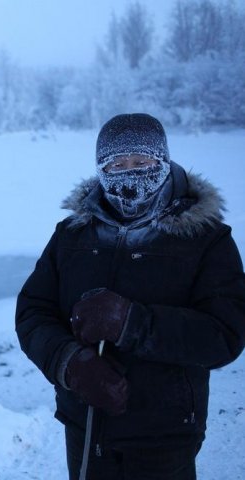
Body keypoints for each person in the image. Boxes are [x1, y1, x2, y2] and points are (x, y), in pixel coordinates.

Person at [15, 113, 245, 479]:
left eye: (142, 162)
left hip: (165, 436)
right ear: (101, 169)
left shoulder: (206, 238)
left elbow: (224, 335)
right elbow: (33, 312)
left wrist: (132, 324)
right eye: (116, 164)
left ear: (163, 162)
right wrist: (69, 363)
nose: (129, 174)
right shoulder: (73, 235)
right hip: (86, 427)